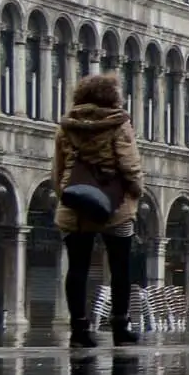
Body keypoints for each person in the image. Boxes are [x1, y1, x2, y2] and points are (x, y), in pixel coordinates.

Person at [52, 73, 145, 349]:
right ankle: (120, 326)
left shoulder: (67, 126)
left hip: (77, 204)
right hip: (115, 203)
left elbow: (57, 168)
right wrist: (136, 189)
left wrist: (67, 195)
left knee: (77, 267)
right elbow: (129, 163)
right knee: (120, 268)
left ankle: (79, 329)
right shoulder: (119, 124)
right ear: (111, 96)